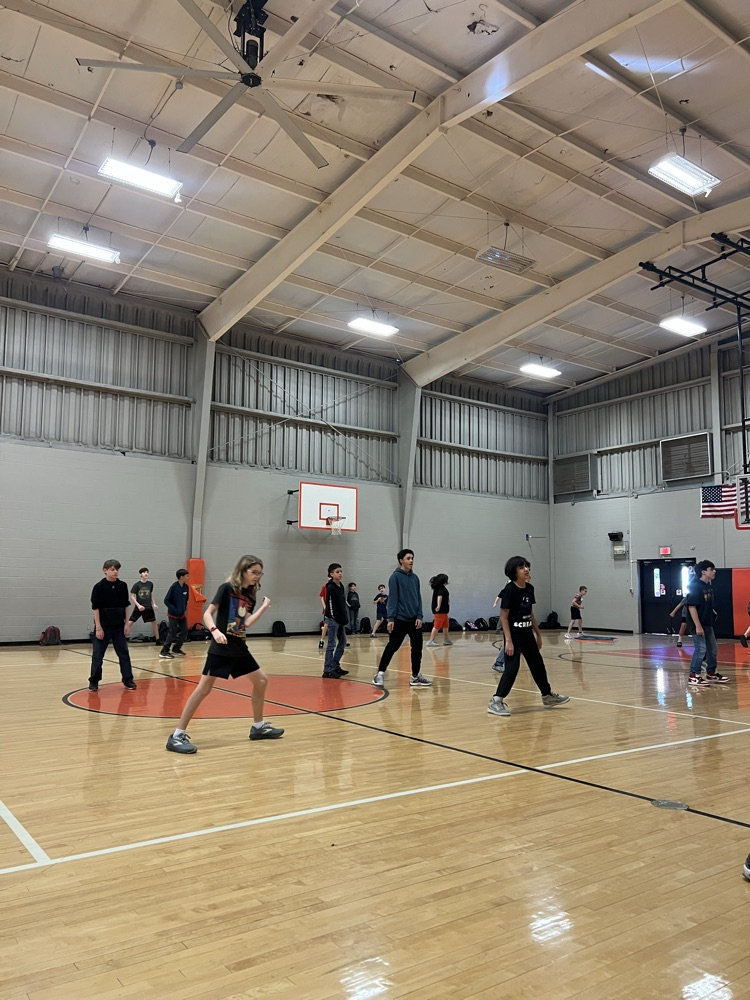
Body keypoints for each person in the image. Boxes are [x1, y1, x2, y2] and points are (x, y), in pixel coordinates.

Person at [165, 554, 284, 753]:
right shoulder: (227, 588)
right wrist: (215, 631)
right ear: (242, 570)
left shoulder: (250, 595)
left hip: (238, 645)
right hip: (221, 647)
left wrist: (263, 608)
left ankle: (258, 727)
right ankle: (177, 735)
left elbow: (244, 624)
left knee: (261, 680)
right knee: (203, 689)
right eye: (253, 572)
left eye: (259, 573)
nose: (257, 576)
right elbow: (207, 614)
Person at [487, 556, 570, 717]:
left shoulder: (529, 589)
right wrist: (508, 642)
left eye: (527, 566)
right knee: (512, 668)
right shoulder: (509, 590)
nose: (526, 569)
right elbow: (503, 617)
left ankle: (547, 696)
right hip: (514, 635)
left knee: (537, 664)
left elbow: (530, 613)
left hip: (527, 634)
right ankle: (496, 701)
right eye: (521, 567)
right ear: (514, 571)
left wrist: (538, 634)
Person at [372, 549, 431, 688]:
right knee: (393, 646)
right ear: (401, 561)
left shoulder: (415, 578)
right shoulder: (395, 577)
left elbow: (418, 598)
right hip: (400, 619)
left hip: (415, 620)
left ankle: (415, 676)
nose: (411, 560)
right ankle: (379, 674)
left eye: (412, 558)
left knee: (417, 648)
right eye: (408, 558)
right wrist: (390, 618)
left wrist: (420, 616)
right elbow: (393, 599)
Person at [88, 559, 137, 692]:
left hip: (118, 627)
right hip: (103, 627)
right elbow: (96, 608)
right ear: (105, 570)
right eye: (112, 569)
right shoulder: (99, 587)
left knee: (124, 654)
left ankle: (128, 680)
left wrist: (127, 624)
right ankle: (94, 681)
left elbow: (126, 606)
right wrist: (98, 627)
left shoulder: (123, 585)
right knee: (98, 655)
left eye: (117, 569)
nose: (115, 572)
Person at [686, 559, 729, 686]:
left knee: (713, 649)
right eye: (711, 569)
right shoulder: (694, 585)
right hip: (697, 624)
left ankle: (711, 673)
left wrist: (712, 611)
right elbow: (691, 607)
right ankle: (694, 675)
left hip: (707, 623)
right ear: (704, 572)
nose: (714, 571)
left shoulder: (708, 586)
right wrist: (698, 626)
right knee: (701, 649)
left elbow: (705, 603)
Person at [323, 563, 350, 679]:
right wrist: (334, 618)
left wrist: (344, 617)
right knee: (331, 645)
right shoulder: (330, 587)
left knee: (342, 642)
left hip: (341, 620)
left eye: (341, 571)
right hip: (333, 620)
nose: (340, 574)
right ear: (331, 574)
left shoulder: (341, 586)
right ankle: (327, 670)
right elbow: (330, 605)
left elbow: (342, 604)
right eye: (337, 572)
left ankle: (335, 666)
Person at [159, 569, 189, 659]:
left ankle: (176, 648)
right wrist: (174, 609)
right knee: (172, 633)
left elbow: (186, 599)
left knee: (184, 631)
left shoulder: (186, 587)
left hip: (182, 614)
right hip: (173, 615)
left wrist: (184, 608)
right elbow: (166, 600)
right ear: (181, 577)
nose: (188, 577)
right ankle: (164, 651)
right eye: (187, 576)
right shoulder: (173, 587)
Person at [129, 567, 160, 643]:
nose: (146, 573)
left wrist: (154, 604)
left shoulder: (150, 584)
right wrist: (138, 605)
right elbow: (132, 596)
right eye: (143, 572)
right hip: (139, 607)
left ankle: (158, 639)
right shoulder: (137, 585)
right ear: (140, 574)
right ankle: (120, 638)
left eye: (147, 572)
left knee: (154, 622)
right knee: (130, 622)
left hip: (148, 607)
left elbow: (150, 594)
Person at [426, 573, 453, 647]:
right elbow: (439, 597)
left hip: (444, 611)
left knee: (445, 625)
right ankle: (431, 641)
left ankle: (446, 640)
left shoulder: (438, 588)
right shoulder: (441, 589)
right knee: (437, 625)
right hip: (440, 611)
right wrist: (438, 606)